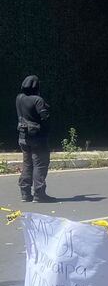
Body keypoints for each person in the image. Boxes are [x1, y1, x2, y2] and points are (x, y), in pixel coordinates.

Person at [15, 74, 53, 203]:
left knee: (27, 164)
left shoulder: (19, 98)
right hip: (38, 138)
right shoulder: (38, 100)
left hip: (23, 137)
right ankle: (39, 194)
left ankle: (25, 193)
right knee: (40, 165)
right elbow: (45, 117)